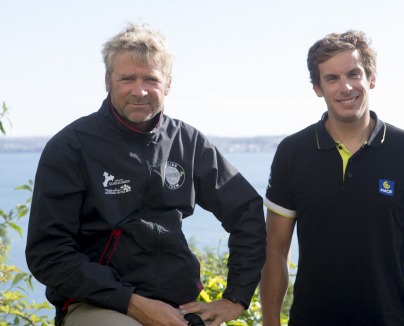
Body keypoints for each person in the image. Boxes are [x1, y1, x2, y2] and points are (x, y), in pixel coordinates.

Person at [25, 22, 266, 326]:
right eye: (127, 78)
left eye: (150, 79)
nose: (139, 91)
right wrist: (131, 302)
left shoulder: (188, 142)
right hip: (96, 304)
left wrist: (236, 297)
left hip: (177, 307)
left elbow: (246, 211)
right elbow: (47, 254)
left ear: (167, 84)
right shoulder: (72, 147)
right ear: (107, 81)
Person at [260, 30, 404, 325]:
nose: (345, 87)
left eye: (353, 74)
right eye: (332, 78)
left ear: (371, 78)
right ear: (318, 88)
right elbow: (275, 250)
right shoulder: (292, 152)